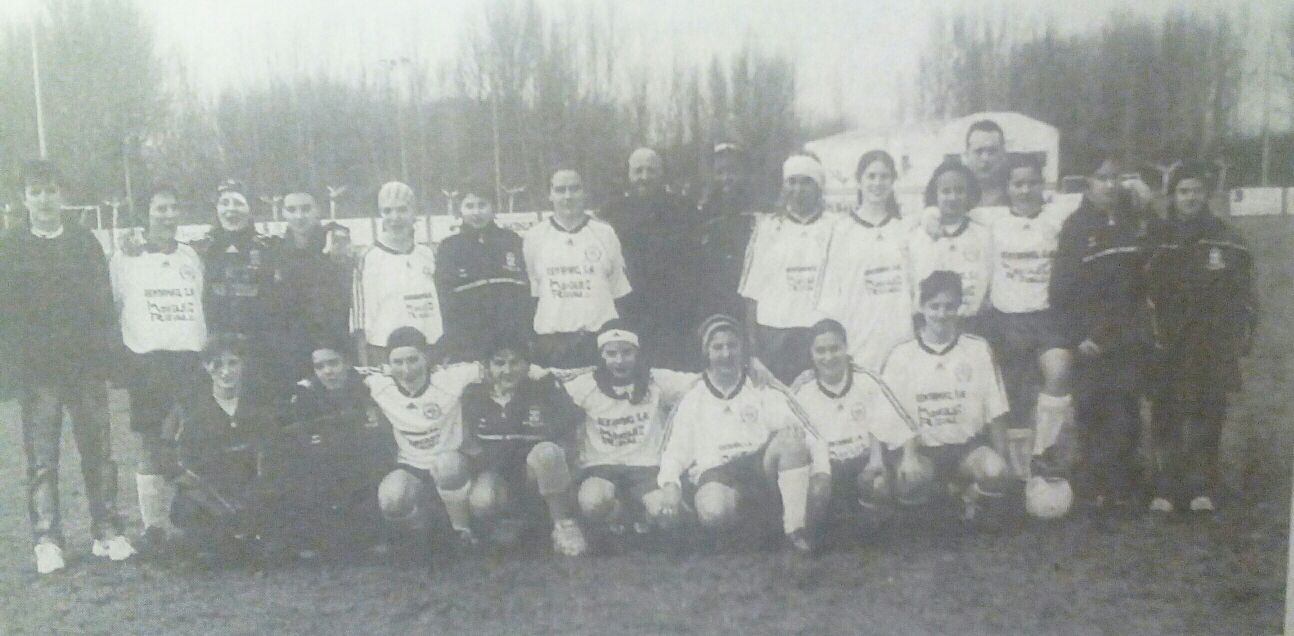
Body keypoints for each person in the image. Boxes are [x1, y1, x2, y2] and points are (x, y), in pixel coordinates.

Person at [0, 160, 134, 573]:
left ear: (63, 195)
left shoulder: (84, 242)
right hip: (40, 375)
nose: (44, 199)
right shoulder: (11, 246)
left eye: (51, 190)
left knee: (99, 454)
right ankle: (47, 539)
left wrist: (109, 360)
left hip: (86, 369)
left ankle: (107, 531)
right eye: (36, 191)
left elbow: (102, 307)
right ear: (24, 198)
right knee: (43, 460)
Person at [655, 315, 830, 554]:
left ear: (742, 349)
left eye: (732, 345)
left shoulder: (761, 385)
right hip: (716, 472)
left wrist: (821, 470)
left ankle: (794, 530)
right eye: (718, 347)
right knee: (713, 511)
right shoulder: (693, 396)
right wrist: (670, 485)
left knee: (792, 439)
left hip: (758, 466)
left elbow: (807, 428)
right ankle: (757, 530)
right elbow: (674, 451)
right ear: (706, 352)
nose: (726, 354)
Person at [1144, 163, 1256, 514]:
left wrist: (1240, 335)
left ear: (1206, 195)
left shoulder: (1225, 238)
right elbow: (1140, 288)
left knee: (1208, 409)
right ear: (1172, 196)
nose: (1190, 198)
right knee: (1166, 410)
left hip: (1210, 341)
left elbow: (1244, 293)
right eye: (1183, 191)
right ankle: (1166, 484)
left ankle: (1202, 485)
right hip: (1167, 338)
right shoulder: (1157, 238)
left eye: (1196, 191)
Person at [1050, 157, 1159, 509]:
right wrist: (1077, 335)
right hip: (1092, 340)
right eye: (1102, 178)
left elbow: (1143, 280)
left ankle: (1122, 483)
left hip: (1127, 336)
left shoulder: (1134, 222)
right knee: (1093, 410)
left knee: (1126, 410)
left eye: (1116, 178)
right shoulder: (1076, 226)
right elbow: (1060, 291)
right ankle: (1093, 485)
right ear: (1088, 184)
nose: (1110, 185)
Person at [110, 184, 208, 554]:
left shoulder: (191, 257)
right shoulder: (126, 257)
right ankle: (153, 529)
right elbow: (115, 305)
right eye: (159, 209)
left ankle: (201, 518)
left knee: (196, 440)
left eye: (173, 207)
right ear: (146, 215)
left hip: (190, 360)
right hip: (149, 361)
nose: (168, 215)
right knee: (152, 445)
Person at [973, 155, 1077, 492]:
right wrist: (931, 215)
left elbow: (1095, 196)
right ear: (1007, 188)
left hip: (1047, 315)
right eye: (1017, 184)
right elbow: (943, 209)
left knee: (1059, 373)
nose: (1025, 190)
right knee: (1013, 401)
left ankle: (1043, 451)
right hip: (1007, 319)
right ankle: (1019, 474)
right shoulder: (991, 220)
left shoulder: (1059, 216)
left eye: (1032, 182)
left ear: (1042, 184)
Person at [880, 272, 1012, 522]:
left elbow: (996, 410)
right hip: (922, 451)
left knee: (996, 472)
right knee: (911, 485)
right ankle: (946, 498)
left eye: (949, 307)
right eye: (934, 306)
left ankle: (969, 494)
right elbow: (892, 416)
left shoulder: (977, 349)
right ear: (921, 307)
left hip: (966, 450)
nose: (941, 314)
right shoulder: (901, 354)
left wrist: (1003, 462)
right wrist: (908, 456)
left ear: (960, 308)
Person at [563, 320, 703, 537]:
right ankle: (619, 515)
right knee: (591, 502)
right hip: (601, 468)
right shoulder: (585, 384)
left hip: (646, 468)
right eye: (611, 353)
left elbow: (704, 380)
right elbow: (539, 373)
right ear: (601, 355)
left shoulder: (656, 380)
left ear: (637, 353)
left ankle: (644, 516)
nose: (619, 360)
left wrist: (751, 365)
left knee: (668, 517)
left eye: (627, 352)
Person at [459, 335, 589, 555]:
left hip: (534, 471)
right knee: (482, 501)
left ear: (527, 365)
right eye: (499, 363)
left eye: (515, 362)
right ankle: (508, 522)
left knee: (547, 452)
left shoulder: (544, 388)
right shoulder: (474, 394)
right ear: (488, 367)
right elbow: (469, 440)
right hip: (496, 471)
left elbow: (570, 424)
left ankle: (563, 525)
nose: (507, 370)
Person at [261, 338, 392, 557]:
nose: (328, 371)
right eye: (319, 367)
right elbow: (300, 437)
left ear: (347, 363)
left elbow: (377, 434)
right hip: (325, 465)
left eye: (333, 363)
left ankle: (372, 536)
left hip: (363, 464)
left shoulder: (366, 389)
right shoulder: (306, 394)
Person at [367, 326, 489, 557]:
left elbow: (493, 367)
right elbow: (343, 371)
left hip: (451, 461)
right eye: (398, 362)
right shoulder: (378, 383)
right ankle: (425, 536)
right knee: (391, 498)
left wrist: (539, 372)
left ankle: (461, 531)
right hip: (411, 465)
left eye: (412, 360)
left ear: (426, 358)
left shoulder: (451, 377)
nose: (405, 369)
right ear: (388, 364)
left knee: (447, 466)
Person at [790, 320, 919, 526]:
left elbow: (893, 421)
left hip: (862, 464)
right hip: (825, 469)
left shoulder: (866, 379)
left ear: (846, 348)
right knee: (817, 496)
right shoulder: (802, 387)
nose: (828, 357)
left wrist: (893, 459)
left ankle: (869, 518)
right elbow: (791, 439)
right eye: (820, 351)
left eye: (835, 349)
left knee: (879, 485)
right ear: (811, 353)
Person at [167, 334, 276, 566]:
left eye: (232, 363)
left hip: (251, 489)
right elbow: (179, 462)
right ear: (206, 367)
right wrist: (213, 498)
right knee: (189, 511)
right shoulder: (191, 409)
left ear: (243, 364)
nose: (226, 372)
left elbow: (270, 454)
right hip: (212, 493)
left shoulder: (259, 404)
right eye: (217, 364)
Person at [599, 148, 703, 369]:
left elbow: (697, 264)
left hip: (675, 315)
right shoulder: (611, 213)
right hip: (630, 312)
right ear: (628, 175)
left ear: (662, 173)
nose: (644, 177)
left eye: (651, 170)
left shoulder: (685, 210)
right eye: (638, 171)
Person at [738, 153, 837, 384]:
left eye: (806, 182)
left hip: (819, 335)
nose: (798, 189)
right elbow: (751, 293)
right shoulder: (768, 228)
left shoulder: (836, 227)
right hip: (776, 336)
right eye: (792, 182)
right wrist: (753, 350)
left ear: (818, 187)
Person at [522, 167, 631, 368]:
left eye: (574, 189)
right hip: (552, 343)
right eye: (560, 190)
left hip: (598, 340)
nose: (568, 196)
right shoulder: (535, 236)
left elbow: (618, 291)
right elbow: (534, 292)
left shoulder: (605, 233)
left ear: (585, 193)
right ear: (550, 195)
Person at [817, 150, 915, 372]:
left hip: (900, 339)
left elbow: (915, 288)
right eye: (871, 176)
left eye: (884, 176)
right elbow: (831, 293)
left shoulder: (905, 230)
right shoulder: (840, 230)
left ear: (893, 181)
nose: (877, 183)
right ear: (859, 181)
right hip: (857, 340)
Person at [194, 178, 285, 400]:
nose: (231, 210)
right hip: (216, 347)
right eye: (225, 203)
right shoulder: (202, 248)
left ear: (250, 208)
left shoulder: (269, 247)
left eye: (238, 203)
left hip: (259, 347)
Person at [434, 182, 531, 362]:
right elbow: (445, 301)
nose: (476, 212)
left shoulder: (511, 241)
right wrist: (455, 341)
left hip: (509, 342)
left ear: (493, 207)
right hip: (468, 343)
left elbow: (524, 294)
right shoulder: (449, 247)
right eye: (469, 206)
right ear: (460, 210)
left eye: (482, 205)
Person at [352, 181, 444, 366]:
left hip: (429, 348)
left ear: (413, 213)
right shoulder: (368, 257)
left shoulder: (427, 254)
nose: (395, 217)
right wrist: (366, 361)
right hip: (385, 352)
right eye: (387, 211)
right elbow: (360, 320)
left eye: (402, 210)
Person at [274, 187, 353, 379]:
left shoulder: (334, 244)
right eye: (291, 210)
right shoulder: (276, 250)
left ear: (317, 209)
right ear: (283, 212)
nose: (299, 216)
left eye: (305, 208)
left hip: (333, 341)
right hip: (294, 345)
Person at [908, 161, 993, 324]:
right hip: (930, 323)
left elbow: (989, 280)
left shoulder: (982, 234)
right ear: (935, 194)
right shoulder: (918, 235)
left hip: (973, 321)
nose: (953, 197)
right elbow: (912, 283)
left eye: (960, 190)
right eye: (946, 191)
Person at [696, 142, 759, 322]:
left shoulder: (759, 213)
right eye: (720, 172)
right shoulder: (703, 214)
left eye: (733, 171)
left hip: (751, 300)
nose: (726, 178)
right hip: (715, 301)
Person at [963, 119, 1009, 207]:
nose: (985, 158)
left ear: (1003, 154)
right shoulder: (956, 195)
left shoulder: (1015, 195)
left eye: (992, 151)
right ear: (967, 155)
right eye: (978, 151)